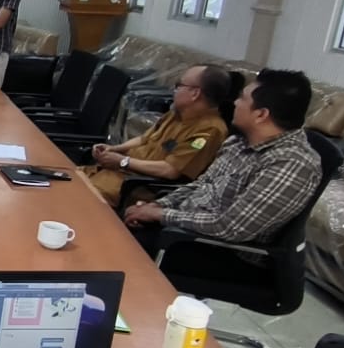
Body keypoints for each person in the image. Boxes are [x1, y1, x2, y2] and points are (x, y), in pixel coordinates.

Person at [124, 69, 321, 262]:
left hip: (219, 251)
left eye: (242, 99)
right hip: (182, 229)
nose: (235, 103)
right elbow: (201, 185)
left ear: (261, 114)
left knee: (118, 252)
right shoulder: (239, 142)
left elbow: (230, 227)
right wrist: (158, 205)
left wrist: (160, 215)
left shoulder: (290, 163)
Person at [81, 65, 236, 206]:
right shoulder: (175, 114)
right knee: (64, 177)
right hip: (112, 173)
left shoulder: (210, 130)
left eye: (179, 85)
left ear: (195, 93)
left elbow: (170, 170)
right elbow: (144, 139)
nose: (174, 90)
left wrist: (123, 161)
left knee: (73, 197)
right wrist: (114, 149)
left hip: (134, 187)